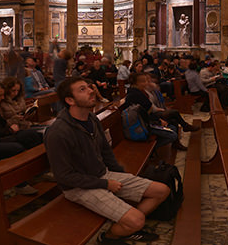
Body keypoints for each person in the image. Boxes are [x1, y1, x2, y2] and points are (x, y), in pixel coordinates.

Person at [46, 76, 171, 244]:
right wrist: (105, 185)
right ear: (70, 100)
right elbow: (64, 177)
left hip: (103, 175)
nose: (91, 91)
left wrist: (123, 177)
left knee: (162, 191)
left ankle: (126, 221)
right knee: (137, 220)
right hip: (78, 187)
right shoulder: (58, 132)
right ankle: (109, 236)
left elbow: (106, 153)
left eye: (89, 87)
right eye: (82, 90)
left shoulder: (91, 120)